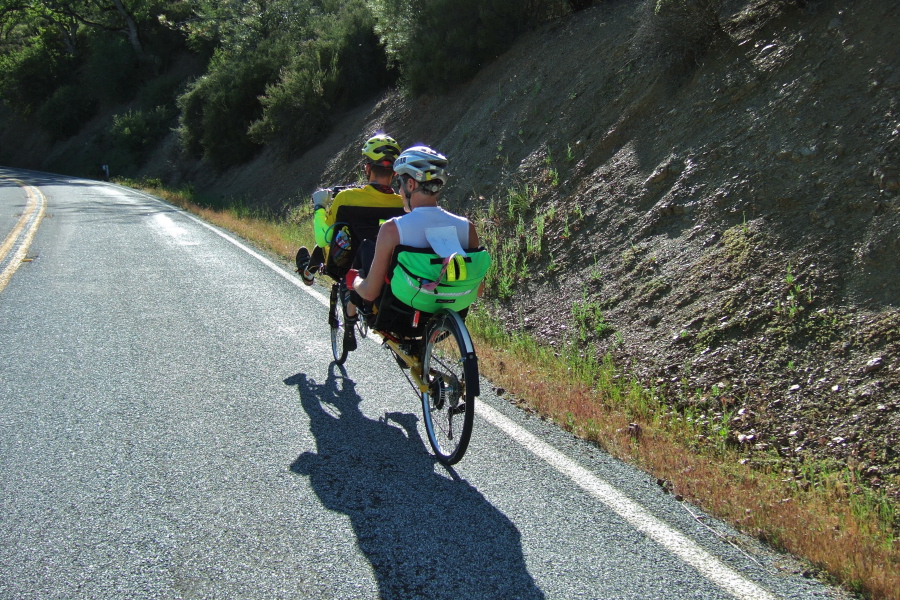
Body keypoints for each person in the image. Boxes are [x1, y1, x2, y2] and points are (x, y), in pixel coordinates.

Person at [346, 145, 481, 304]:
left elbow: (370, 293)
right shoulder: (467, 228)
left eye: (399, 184)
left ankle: (351, 312)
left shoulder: (392, 229)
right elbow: (478, 290)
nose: (399, 191)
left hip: (403, 316)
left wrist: (355, 280)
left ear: (410, 184)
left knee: (365, 251)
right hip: (453, 308)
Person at [295, 133, 403, 286]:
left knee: (332, 235)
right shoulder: (403, 204)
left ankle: (308, 272)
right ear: (395, 172)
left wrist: (319, 207)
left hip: (351, 271)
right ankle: (307, 272)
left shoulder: (346, 198)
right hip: (390, 273)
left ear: (367, 168)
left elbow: (322, 239)